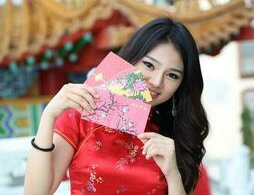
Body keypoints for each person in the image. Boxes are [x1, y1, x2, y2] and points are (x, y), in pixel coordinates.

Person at [24, 17, 209, 195]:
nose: (157, 81)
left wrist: (173, 174)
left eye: (172, 75)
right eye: (149, 65)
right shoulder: (85, 111)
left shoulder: (177, 133)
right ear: (131, 59)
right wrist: (48, 116)